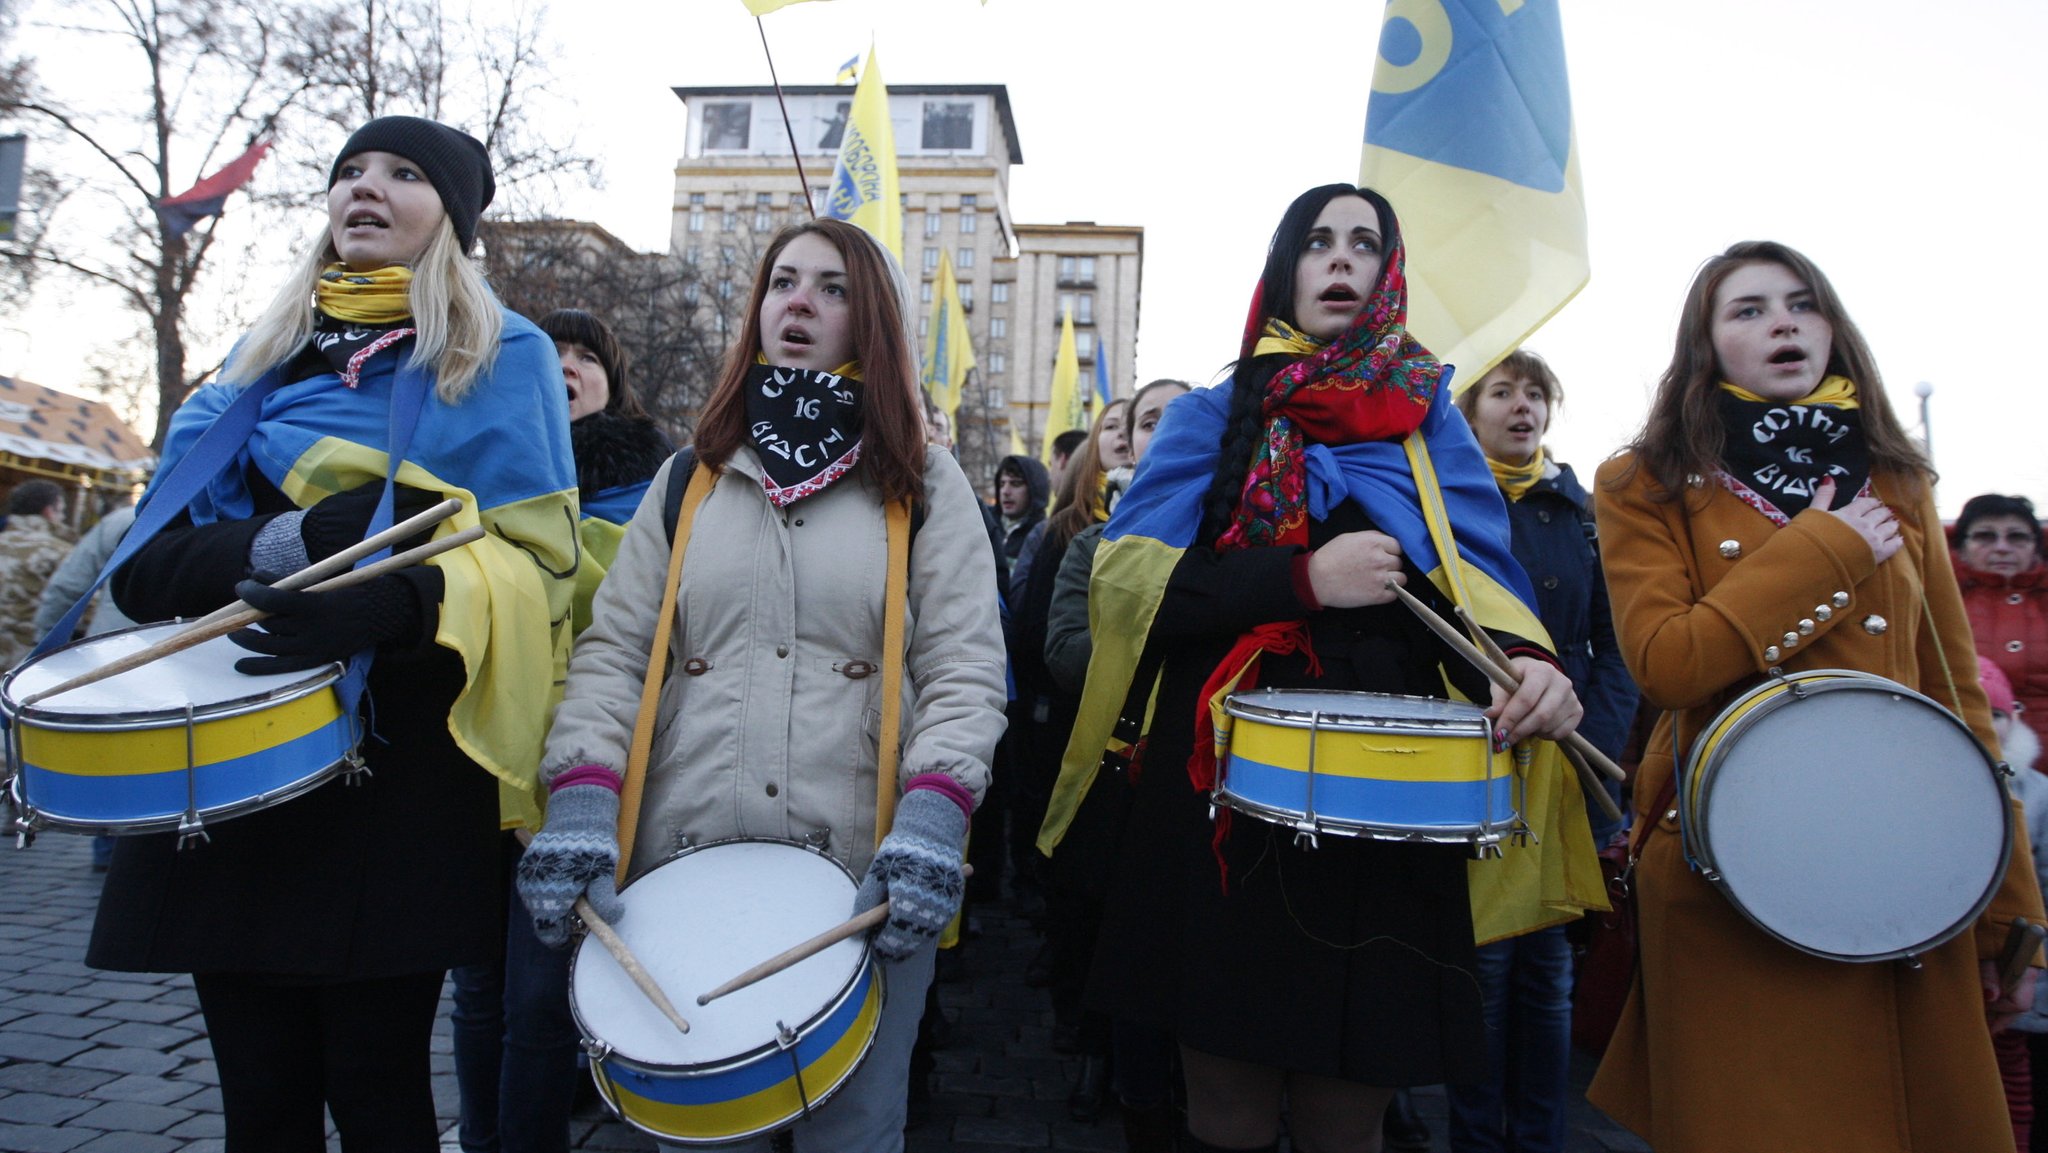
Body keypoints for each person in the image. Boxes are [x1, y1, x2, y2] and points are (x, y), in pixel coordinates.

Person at [1037, 184, 1599, 1153]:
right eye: (1317, 241)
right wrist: (1299, 575)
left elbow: (1481, 584)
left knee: (1350, 1115)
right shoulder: (1211, 416)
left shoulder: (1429, 420)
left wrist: (1529, 664)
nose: (1340, 259)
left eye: (1364, 243)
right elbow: (1131, 593)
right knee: (1225, 1107)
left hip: (1389, 810)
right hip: (1220, 800)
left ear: (1390, 273)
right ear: (1282, 268)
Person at [88, 116, 580, 1153]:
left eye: (404, 174)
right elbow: (144, 570)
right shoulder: (255, 364)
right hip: (236, 769)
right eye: (349, 171)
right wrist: (297, 536)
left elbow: (539, 562)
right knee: (258, 1100)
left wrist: (400, 605)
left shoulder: (502, 356)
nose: (367, 187)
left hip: (390, 784)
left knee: (379, 1091)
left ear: (451, 215)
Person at [515, 217, 1006, 1153]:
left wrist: (936, 817)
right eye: (784, 281)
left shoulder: (925, 482)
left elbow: (964, 667)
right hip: (681, 871)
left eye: (833, 287)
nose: (800, 302)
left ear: (874, 321)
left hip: (859, 881)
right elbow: (615, 653)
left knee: (851, 1135)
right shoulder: (687, 479)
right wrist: (580, 797)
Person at [1587, 239, 2046, 1152]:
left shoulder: (1897, 477)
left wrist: (2009, 912)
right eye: (1747, 309)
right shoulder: (1645, 481)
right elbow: (1668, 664)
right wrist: (1827, 547)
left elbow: (1960, 699)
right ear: (1706, 345)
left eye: (1802, 303)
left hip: (1904, 864)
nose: (1783, 321)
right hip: (1732, 867)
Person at [449, 307, 669, 1153]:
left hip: (585, 773)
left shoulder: (654, 490)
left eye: (589, 355)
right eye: (555, 353)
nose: (568, 366)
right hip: (479, 762)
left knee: (540, 999)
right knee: (476, 989)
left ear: (615, 384)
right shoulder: (475, 469)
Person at [1445, 350, 1639, 1153]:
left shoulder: (1583, 510)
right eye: (1503, 390)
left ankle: (1541, 1138)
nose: (1522, 406)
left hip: (1570, 762)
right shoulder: (1447, 504)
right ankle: (1476, 1139)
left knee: (1550, 976)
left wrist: (1589, 730)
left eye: (1536, 393)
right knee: (1486, 974)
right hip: (1481, 755)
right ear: (1469, 410)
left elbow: (1615, 645)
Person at [1039, 376, 1191, 1150]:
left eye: (1181, 413)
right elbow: (1064, 654)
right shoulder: (1095, 547)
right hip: (1119, 776)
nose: (1164, 429)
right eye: (1148, 417)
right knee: (1114, 942)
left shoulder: (1247, 538)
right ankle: (1108, 1064)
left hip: (1211, 789)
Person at [32, 494, 137, 872]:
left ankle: (107, 846)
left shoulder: (121, 519)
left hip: (113, 649)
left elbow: (67, 587)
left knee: (111, 749)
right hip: (190, 653)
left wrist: (45, 647)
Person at [1955, 493, 2048, 754]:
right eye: (1985, 536)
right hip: (1973, 755)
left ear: (2036, 548)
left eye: (2017, 537)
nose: (2002, 547)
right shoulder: (1939, 601)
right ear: (1961, 548)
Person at [0, 479, 73, 668]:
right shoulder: (58, 551)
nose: (63, 518)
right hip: (20, 658)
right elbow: (79, 608)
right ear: (49, 511)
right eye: (62, 511)